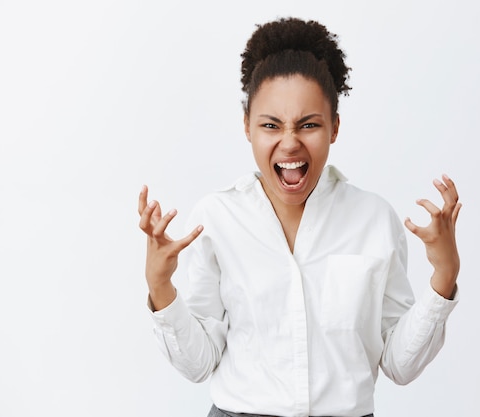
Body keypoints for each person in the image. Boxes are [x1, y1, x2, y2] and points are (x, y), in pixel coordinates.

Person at [138, 17, 462, 417]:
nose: (289, 142)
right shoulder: (216, 218)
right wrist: (159, 286)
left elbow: (400, 364)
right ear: (247, 127)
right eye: (271, 125)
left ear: (334, 128)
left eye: (309, 125)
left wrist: (443, 278)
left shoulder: (374, 220)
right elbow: (199, 362)